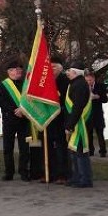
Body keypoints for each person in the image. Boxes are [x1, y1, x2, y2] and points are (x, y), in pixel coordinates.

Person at [0, 60, 31, 181]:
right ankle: (9, 172)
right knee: (8, 147)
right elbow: (0, 101)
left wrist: (23, 109)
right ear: (9, 71)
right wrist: (14, 110)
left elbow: (29, 99)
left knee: (24, 148)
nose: (19, 72)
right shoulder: (3, 85)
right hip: (9, 119)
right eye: (17, 70)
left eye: (20, 70)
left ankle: (24, 172)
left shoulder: (25, 84)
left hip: (24, 119)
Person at [64, 61, 93, 188]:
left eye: (69, 70)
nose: (67, 73)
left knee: (80, 152)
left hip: (78, 123)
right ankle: (76, 177)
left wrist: (70, 125)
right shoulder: (75, 84)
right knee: (74, 151)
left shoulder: (79, 85)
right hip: (74, 122)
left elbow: (77, 108)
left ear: (75, 72)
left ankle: (84, 178)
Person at [47, 55, 70, 183]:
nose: (52, 69)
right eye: (50, 67)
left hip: (61, 118)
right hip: (48, 118)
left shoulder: (65, 80)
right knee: (48, 147)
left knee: (61, 147)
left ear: (60, 68)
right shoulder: (46, 80)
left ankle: (63, 174)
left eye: (55, 67)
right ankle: (50, 173)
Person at [84, 70, 108, 157]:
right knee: (89, 133)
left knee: (100, 133)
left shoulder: (100, 86)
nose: (89, 82)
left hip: (98, 114)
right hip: (88, 114)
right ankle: (90, 150)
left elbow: (105, 99)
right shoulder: (83, 87)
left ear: (94, 79)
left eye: (90, 80)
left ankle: (103, 151)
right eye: (87, 80)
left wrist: (97, 97)